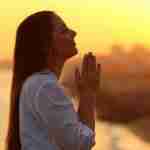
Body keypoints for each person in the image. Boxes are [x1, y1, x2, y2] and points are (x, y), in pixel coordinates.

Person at [5, 10, 101, 150]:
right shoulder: (45, 86)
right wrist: (88, 94)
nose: (73, 32)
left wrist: (87, 92)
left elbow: (74, 137)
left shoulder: (36, 83)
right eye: (64, 30)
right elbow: (79, 144)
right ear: (45, 44)